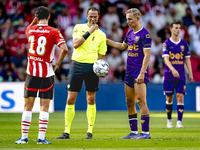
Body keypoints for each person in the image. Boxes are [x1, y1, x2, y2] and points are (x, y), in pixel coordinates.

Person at [15, 6, 68, 144]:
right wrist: (57, 63)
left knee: (28, 106)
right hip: (47, 73)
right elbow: (65, 49)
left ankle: (24, 138)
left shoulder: (29, 30)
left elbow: (31, 25)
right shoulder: (54, 31)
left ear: (36, 17)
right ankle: (41, 138)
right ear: (49, 17)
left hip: (31, 73)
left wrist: (35, 20)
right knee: (44, 107)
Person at [57, 6, 107, 139]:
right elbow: (76, 44)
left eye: (95, 16)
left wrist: (104, 69)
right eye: (91, 16)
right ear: (86, 16)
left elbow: (102, 56)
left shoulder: (102, 35)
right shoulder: (78, 27)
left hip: (92, 67)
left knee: (91, 99)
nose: (93, 18)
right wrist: (90, 31)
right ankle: (66, 131)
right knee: (70, 98)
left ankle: (89, 132)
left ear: (98, 17)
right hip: (77, 65)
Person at [106, 8, 151, 139]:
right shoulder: (129, 33)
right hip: (129, 71)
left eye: (130, 19)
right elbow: (122, 46)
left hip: (139, 71)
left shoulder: (145, 35)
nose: (128, 21)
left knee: (141, 100)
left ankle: (146, 133)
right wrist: (107, 40)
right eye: (127, 19)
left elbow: (147, 55)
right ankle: (134, 132)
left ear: (138, 18)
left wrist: (142, 73)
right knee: (129, 101)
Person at [162, 20, 193, 128]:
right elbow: (166, 59)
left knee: (180, 96)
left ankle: (179, 122)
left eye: (179, 28)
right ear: (171, 29)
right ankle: (169, 120)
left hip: (181, 76)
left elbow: (187, 60)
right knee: (169, 98)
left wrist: (190, 73)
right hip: (169, 76)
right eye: (175, 27)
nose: (177, 29)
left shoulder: (184, 44)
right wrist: (172, 70)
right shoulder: (166, 43)